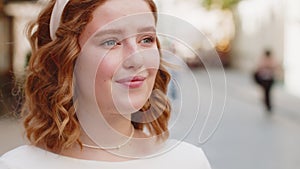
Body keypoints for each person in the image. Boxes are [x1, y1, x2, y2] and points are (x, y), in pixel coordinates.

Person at [0, 0, 211, 169]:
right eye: (111, 42)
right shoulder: (17, 165)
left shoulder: (188, 162)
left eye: (146, 39)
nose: (137, 60)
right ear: (63, 59)